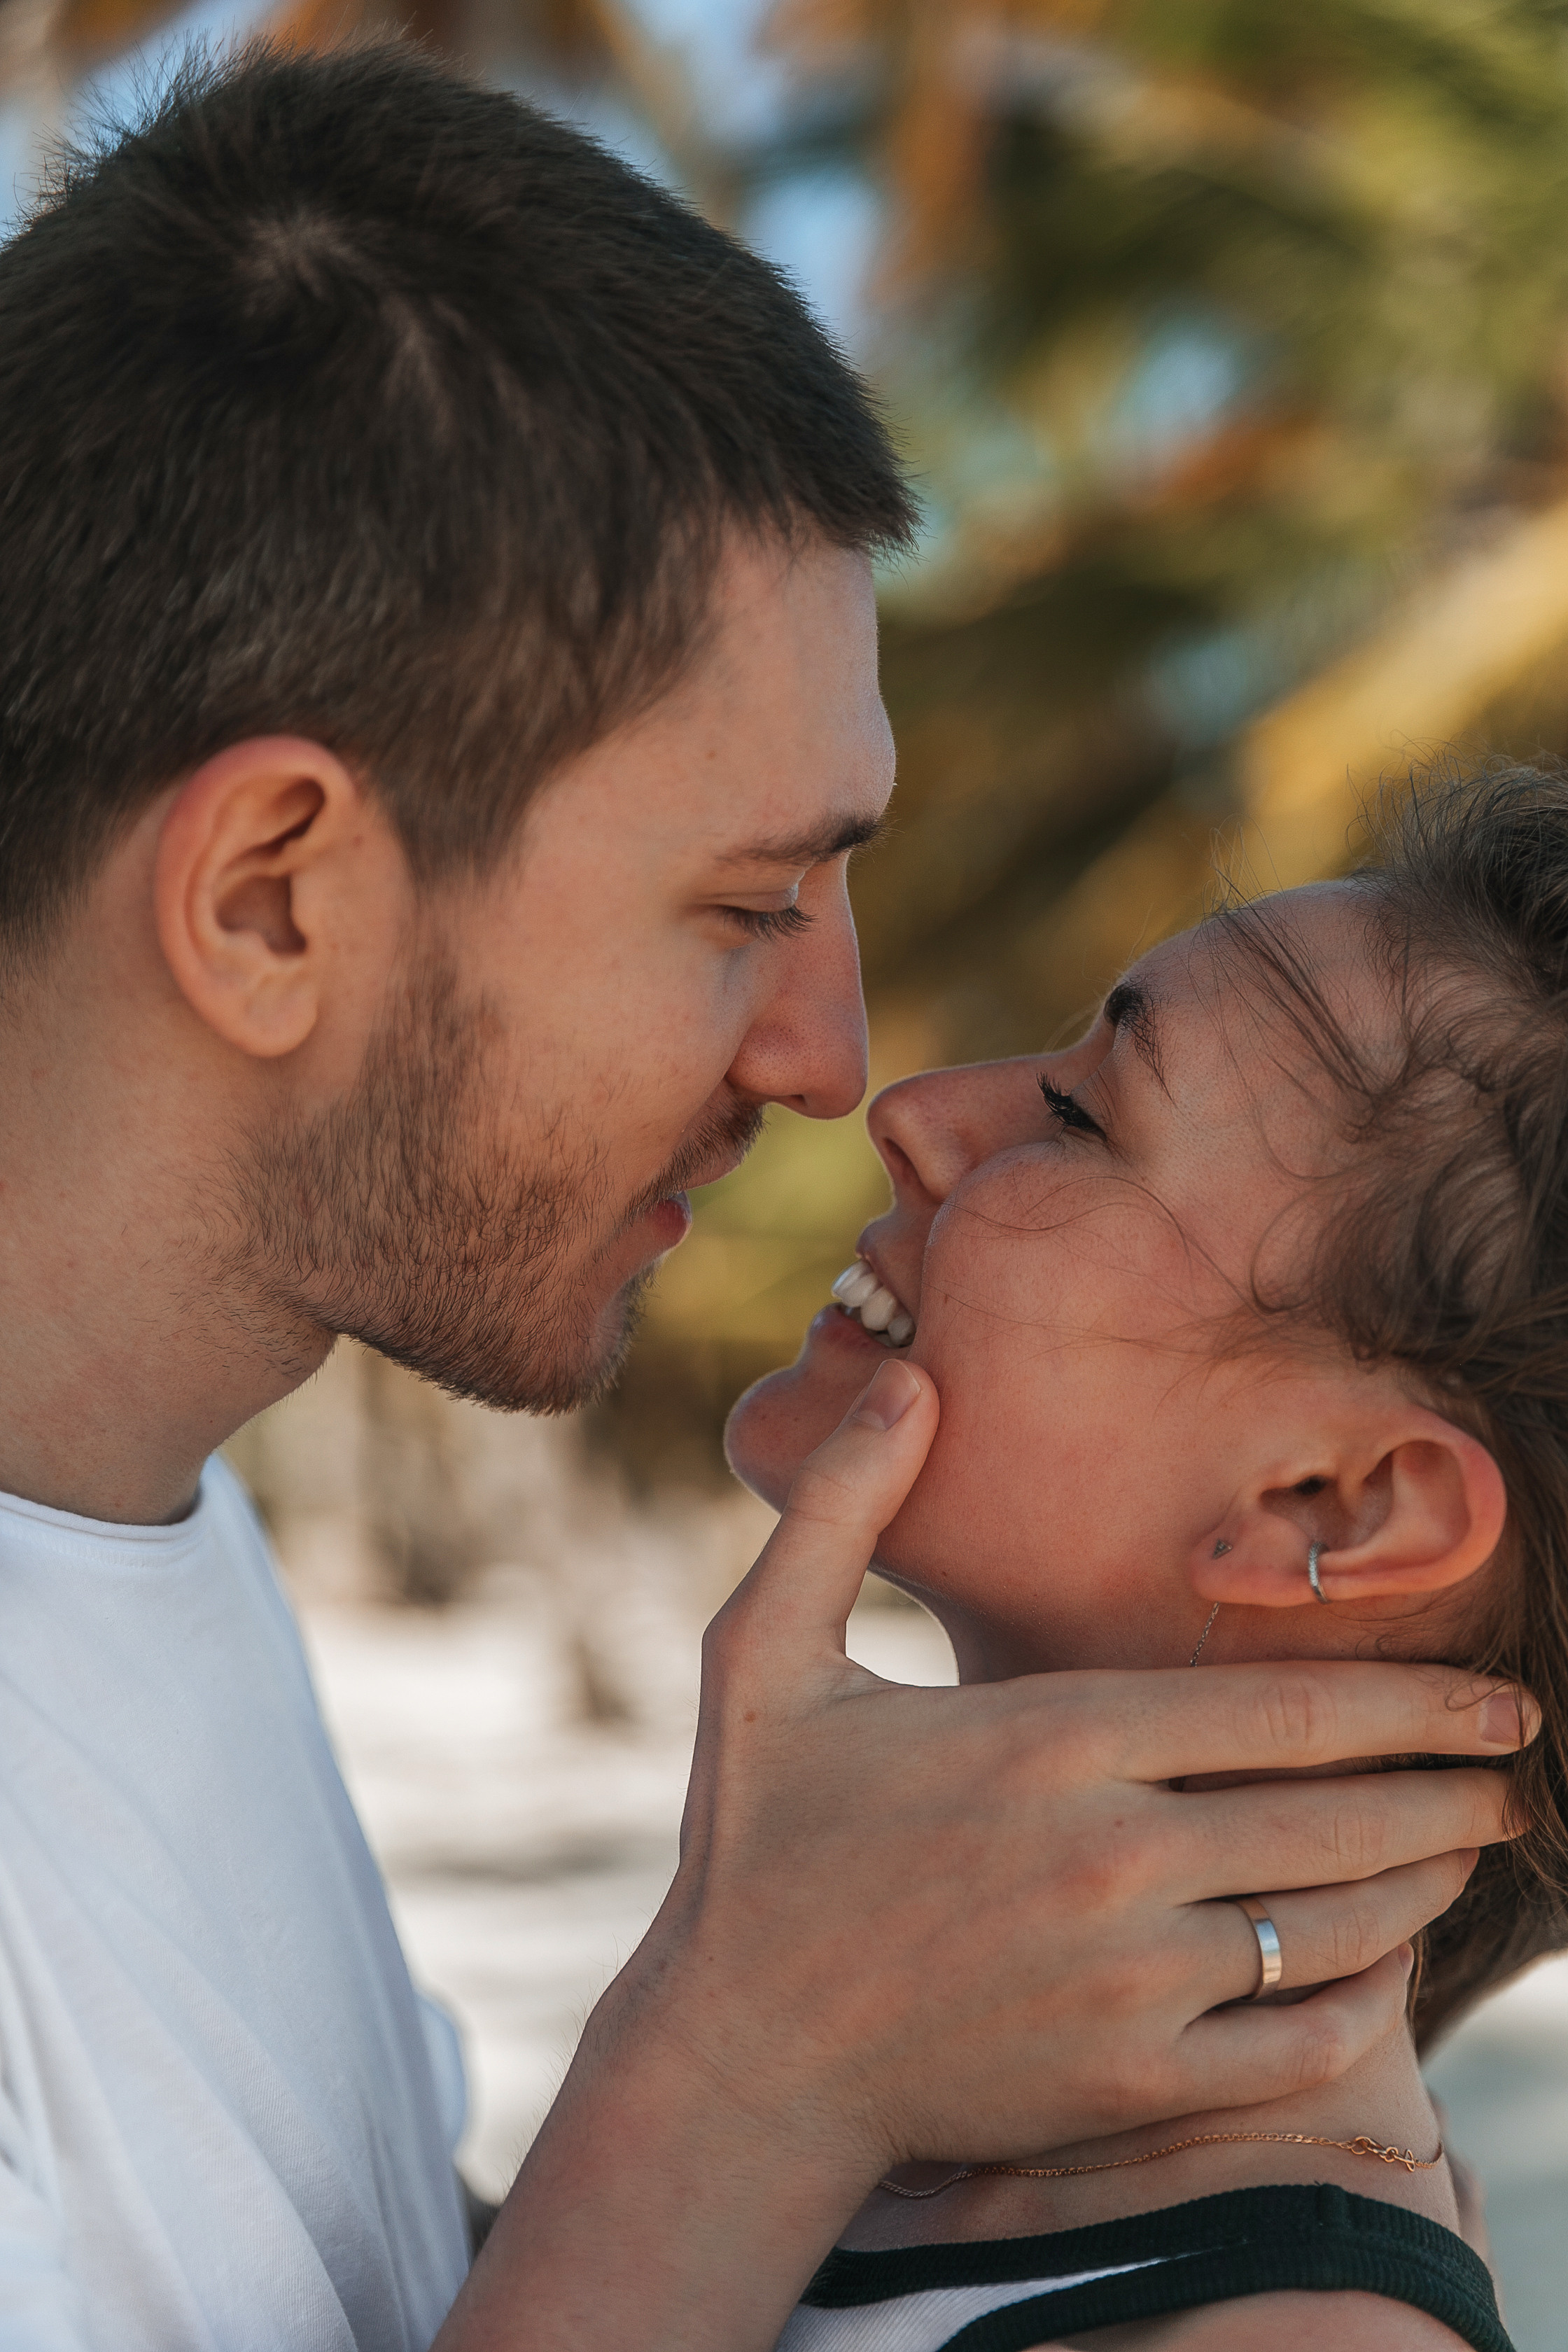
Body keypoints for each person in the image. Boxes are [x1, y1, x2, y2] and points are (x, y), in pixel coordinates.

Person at [0, 38, 1531, 2352]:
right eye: (741, 906)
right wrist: (734, 2077)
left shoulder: (158, 1542)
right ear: (275, 900)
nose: (848, 1068)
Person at [725, 766, 1568, 2351]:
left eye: (1076, 1117)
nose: (909, 1113)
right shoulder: (913, 2113)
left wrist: (714, 2058)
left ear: (1338, 1509)